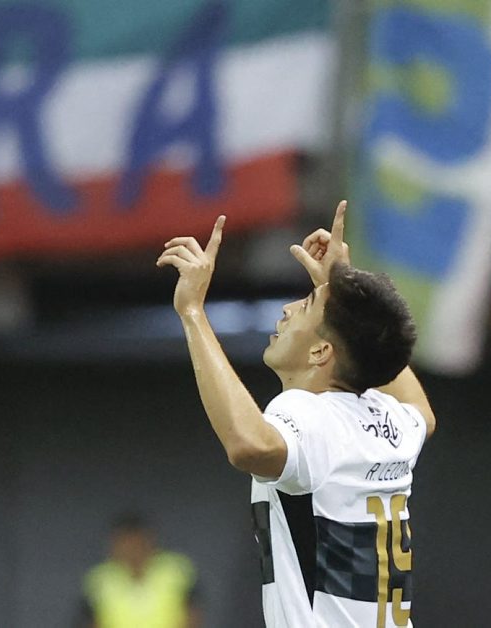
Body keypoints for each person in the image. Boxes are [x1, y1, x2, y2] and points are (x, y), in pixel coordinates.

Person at [156, 201, 436, 627]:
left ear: (322, 351)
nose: (287, 309)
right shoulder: (389, 418)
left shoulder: (308, 414)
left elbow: (249, 445)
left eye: (305, 305)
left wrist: (193, 312)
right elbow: (421, 412)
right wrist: (343, 293)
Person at [79, 513, 201, 628]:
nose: (132, 552)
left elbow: (192, 615)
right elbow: (91, 621)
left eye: (137, 544)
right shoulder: (100, 580)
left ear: (150, 542)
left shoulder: (175, 570)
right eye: (125, 545)